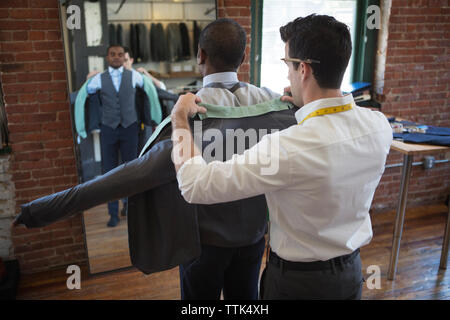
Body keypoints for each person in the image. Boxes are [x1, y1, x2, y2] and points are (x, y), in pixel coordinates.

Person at [170, 14, 393, 300]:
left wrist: (178, 117)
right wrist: (303, 106)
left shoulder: (287, 146)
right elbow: (330, 135)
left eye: (288, 64)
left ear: (303, 69)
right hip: (350, 274)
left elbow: (194, 185)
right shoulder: (379, 126)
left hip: (298, 284)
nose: (287, 74)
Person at [177, 18, 280, 300]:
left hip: (203, 239)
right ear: (244, 57)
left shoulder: (182, 114)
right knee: (246, 301)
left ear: (200, 54)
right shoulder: (273, 102)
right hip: (253, 234)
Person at [86, 45, 144, 227]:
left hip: (130, 127)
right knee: (109, 172)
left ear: (124, 57)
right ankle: (112, 213)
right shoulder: (98, 79)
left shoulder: (134, 76)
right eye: (113, 54)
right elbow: (87, 92)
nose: (117, 57)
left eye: (120, 55)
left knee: (131, 169)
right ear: (107, 58)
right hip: (108, 129)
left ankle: (130, 207)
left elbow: (146, 92)